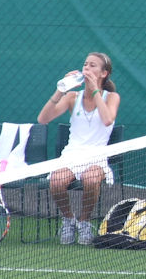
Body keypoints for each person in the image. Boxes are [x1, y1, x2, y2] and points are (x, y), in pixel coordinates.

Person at [37, 52, 120, 245]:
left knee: (91, 179)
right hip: (71, 155)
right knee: (56, 181)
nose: (87, 69)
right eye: (85, 65)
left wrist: (93, 91)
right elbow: (43, 119)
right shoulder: (72, 97)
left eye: (93, 66)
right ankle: (69, 220)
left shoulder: (112, 97)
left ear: (104, 73)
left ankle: (84, 221)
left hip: (97, 157)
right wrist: (61, 90)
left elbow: (108, 120)